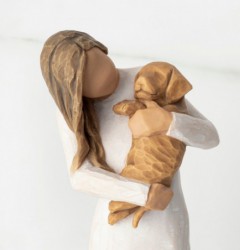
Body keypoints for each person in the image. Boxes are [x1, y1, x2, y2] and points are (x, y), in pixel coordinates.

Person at [40, 30, 219, 250]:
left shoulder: (149, 79)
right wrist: (144, 194)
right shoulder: (73, 115)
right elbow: (80, 175)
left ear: (101, 48)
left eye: (98, 63)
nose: (101, 76)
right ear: (73, 90)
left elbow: (210, 136)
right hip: (116, 229)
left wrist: (168, 121)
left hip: (165, 223)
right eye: (85, 77)